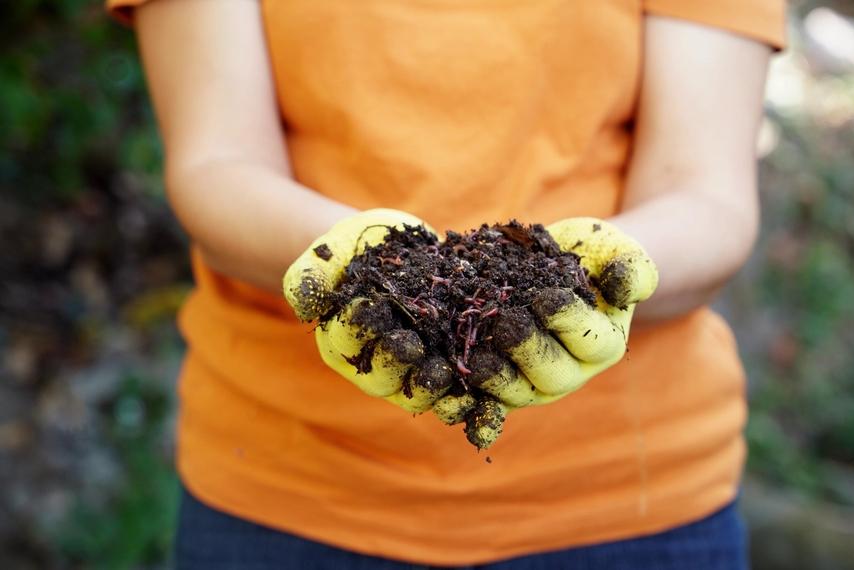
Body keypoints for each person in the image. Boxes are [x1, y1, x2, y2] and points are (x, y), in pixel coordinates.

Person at [108, 0, 784, 567]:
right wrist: (354, 263)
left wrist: (595, 273)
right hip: (285, 490)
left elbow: (705, 195)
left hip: (630, 503)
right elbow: (218, 163)